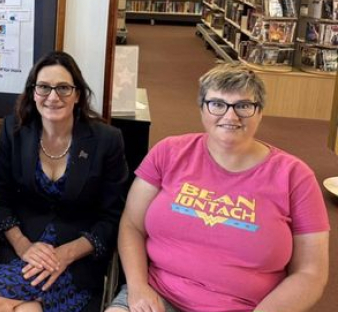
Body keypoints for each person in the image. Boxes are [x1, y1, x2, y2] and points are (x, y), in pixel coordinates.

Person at [106, 63, 330, 312]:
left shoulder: (295, 177)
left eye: (243, 106)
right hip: (157, 297)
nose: (230, 116)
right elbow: (132, 225)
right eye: (218, 104)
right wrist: (137, 288)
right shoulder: (168, 153)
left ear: (260, 112)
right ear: (202, 109)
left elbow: (311, 272)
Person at [0, 51, 128, 312]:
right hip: (25, 248)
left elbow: (112, 218)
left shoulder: (106, 141)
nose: (53, 97)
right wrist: (24, 247)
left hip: (77, 258)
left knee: (16, 307)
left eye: (64, 88)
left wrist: (64, 255)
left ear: (78, 95)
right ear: (33, 93)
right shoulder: (15, 131)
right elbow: (0, 201)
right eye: (44, 87)